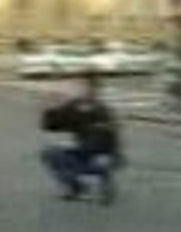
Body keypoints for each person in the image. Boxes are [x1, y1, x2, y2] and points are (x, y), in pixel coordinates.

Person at [40, 74, 124, 205]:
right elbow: (51, 126)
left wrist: (109, 155)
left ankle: (104, 178)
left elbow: (113, 137)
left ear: (95, 89)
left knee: (99, 163)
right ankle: (77, 187)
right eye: (80, 86)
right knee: (49, 153)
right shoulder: (74, 106)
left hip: (102, 154)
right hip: (82, 150)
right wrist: (52, 107)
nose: (81, 89)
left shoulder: (103, 110)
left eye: (85, 86)